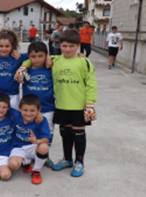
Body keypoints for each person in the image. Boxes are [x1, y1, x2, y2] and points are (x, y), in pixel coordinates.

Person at [49, 29, 97, 177]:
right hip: (61, 104)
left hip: (78, 106)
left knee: (78, 133)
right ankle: (67, 159)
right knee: (65, 133)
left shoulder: (84, 62)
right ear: (59, 45)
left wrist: (89, 103)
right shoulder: (54, 60)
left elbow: (91, 84)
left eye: (71, 46)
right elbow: (33, 57)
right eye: (64, 46)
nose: (67, 49)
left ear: (78, 46)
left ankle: (79, 162)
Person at [16, 41, 55, 168]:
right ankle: (30, 155)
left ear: (46, 56)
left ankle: (45, 154)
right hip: (29, 109)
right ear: (28, 56)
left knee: (47, 132)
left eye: (40, 56)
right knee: (30, 132)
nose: (37, 59)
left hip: (47, 107)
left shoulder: (51, 68)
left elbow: (62, 58)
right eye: (33, 56)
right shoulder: (25, 69)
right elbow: (15, 55)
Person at [8, 94, 51, 184]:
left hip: (33, 147)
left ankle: (36, 170)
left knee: (44, 147)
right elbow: (3, 108)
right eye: (25, 110)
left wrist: (36, 141)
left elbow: (46, 139)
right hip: (18, 147)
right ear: (19, 108)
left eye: (32, 111)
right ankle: (26, 162)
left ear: (39, 110)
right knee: (13, 165)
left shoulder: (42, 121)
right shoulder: (16, 115)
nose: (28, 113)